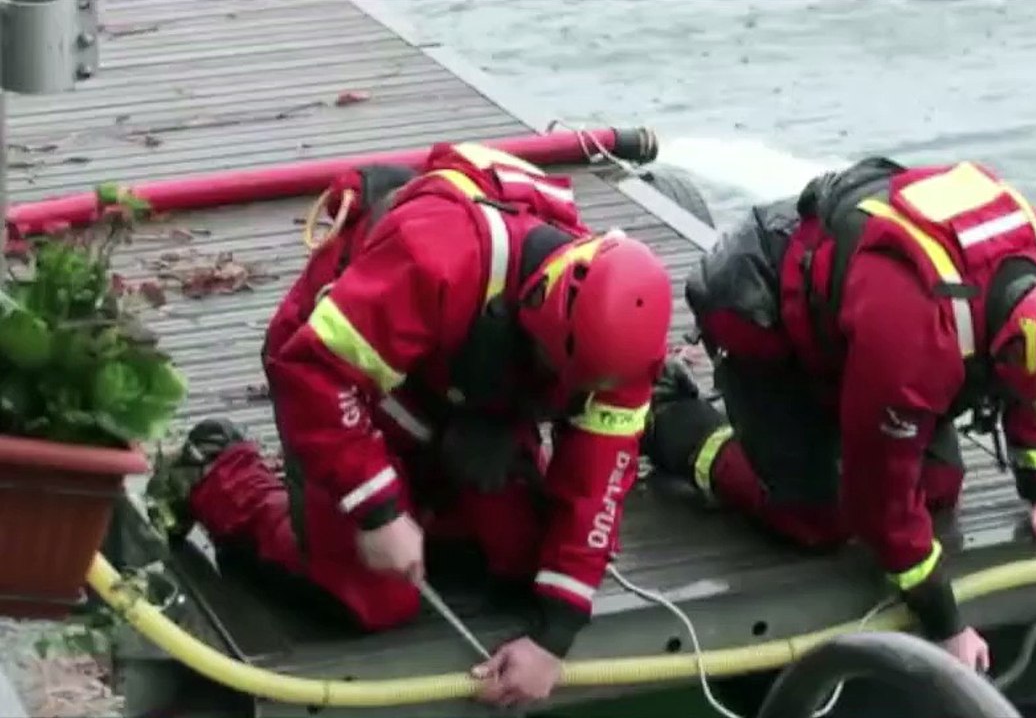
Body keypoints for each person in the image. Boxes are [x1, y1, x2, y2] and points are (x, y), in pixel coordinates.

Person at [144, 142, 674, 709]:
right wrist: (378, 509)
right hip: (344, 377)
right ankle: (215, 471)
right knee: (374, 598)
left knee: (524, 559)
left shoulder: (622, 342)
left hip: (464, 401)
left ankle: (426, 502)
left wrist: (554, 637)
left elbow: (597, 487)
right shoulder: (435, 257)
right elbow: (312, 375)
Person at [642, 157, 1036, 672]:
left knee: (940, 486)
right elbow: (878, 500)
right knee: (817, 520)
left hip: (851, 314)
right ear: (1014, 350)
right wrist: (943, 621)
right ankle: (670, 416)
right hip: (761, 303)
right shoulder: (914, 334)